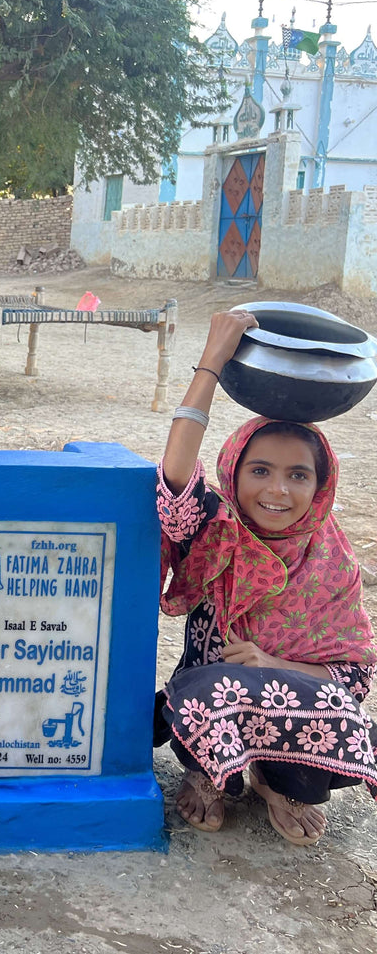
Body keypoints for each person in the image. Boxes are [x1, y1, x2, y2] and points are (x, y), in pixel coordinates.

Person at [155, 308, 377, 845]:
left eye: (297, 475)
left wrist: (272, 664)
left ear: (320, 486)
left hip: (284, 716)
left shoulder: (333, 562)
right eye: (260, 471)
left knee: (341, 718)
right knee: (204, 690)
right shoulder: (215, 531)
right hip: (214, 706)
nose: (277, 491)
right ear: (235, 471)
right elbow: (176, 480)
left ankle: (279, 785)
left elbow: (353, 679)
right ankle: (208, 774)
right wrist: (212, 361)